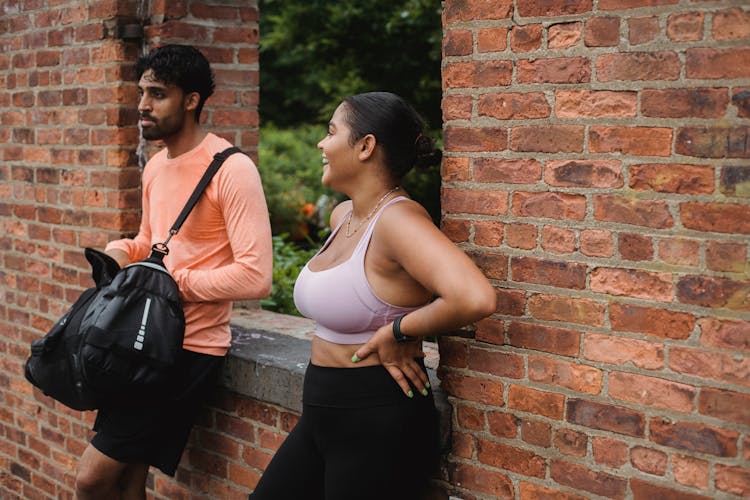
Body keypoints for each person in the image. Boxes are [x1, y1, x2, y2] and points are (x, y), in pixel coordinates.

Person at [249, 92, 497, 500]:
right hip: (322, 408)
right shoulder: (343, 215)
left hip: (376, 414)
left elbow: (474, 297)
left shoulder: (398, 220)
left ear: (365, 146)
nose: (320, 144)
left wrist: (398, 330)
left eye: (331, 132)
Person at [74, 44, 273, 499]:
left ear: (192, 100)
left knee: (91, 479)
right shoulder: (156, 167)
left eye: (157, 94)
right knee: (127, 480)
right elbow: (152, 241)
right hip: (140, 340)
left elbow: (255, 275)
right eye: (141, 92)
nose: (142, 105)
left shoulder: (232, 169)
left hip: (187, 349)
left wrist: (169, 284)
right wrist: (120, 251)